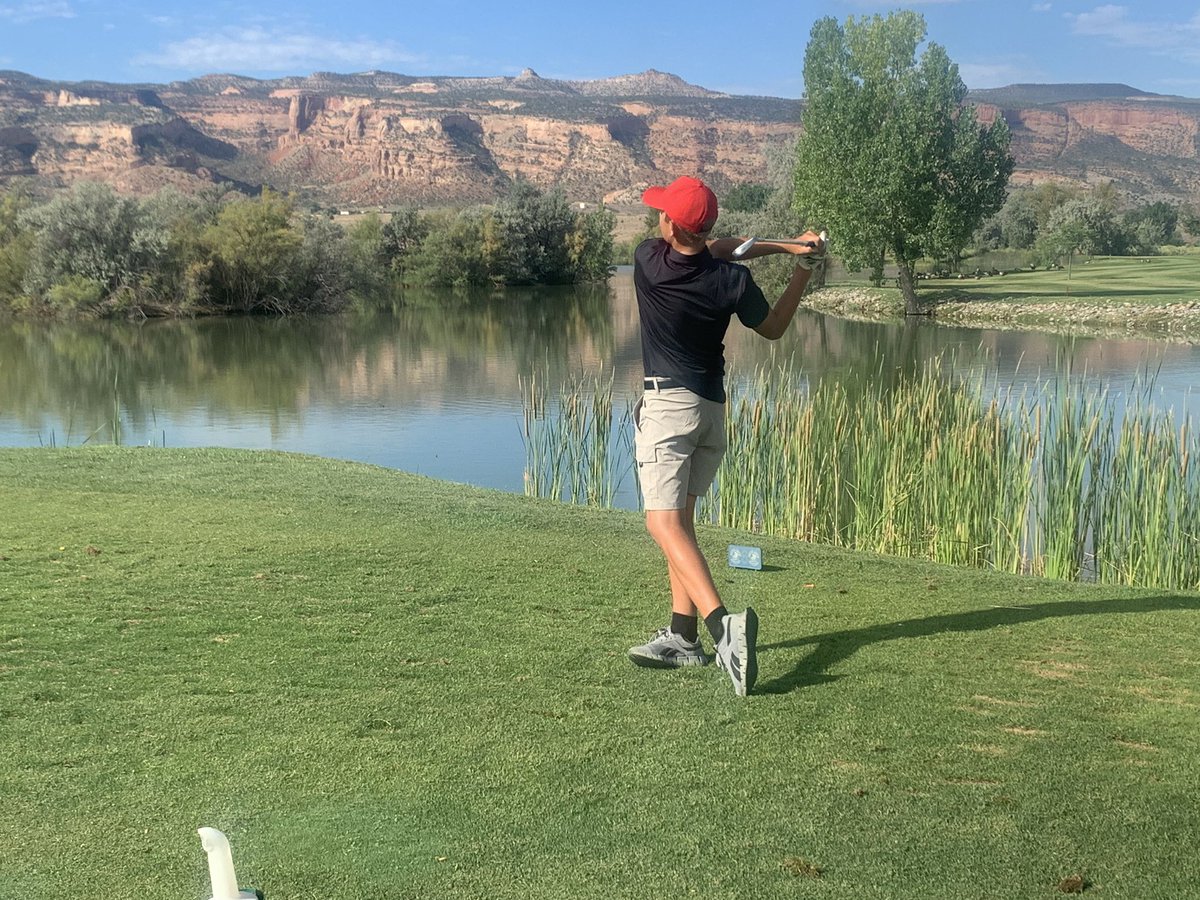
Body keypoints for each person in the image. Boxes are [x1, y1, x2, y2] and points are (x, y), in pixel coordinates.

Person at [627, 175, 825, 697]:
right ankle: (681, 635)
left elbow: (714, 247)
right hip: (711, 412)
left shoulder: (648, 261)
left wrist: (785, 244)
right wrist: (800, 261)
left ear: (669, 225)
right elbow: (774, 326)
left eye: (663, 213)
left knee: (662, 524)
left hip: (668, 408)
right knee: (683, 523)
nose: (658, 219)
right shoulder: (732, 281)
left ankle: (722, 629)